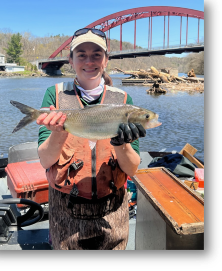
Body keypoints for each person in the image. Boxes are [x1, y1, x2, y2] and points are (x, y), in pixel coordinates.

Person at [36, 28, 146, 250]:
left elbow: (132, 169)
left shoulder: (123, 102)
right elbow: (45, 161)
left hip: (113, 210)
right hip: (65, 210)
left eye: (97, 54)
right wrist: (59, 131)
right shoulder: (55, 96)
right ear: (71, 60)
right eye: (81, 54)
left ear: (106, 60)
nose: (89, 61)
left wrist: (122, 144)